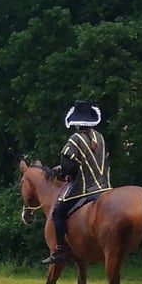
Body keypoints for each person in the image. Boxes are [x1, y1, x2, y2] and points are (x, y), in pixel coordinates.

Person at [42, 101, 112, 264]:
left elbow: (68, 166)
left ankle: (60, 250)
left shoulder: (75, 139)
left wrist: (63, 172)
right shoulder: (99, 137)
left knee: (57, 213)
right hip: (105, 187)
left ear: (76, 122)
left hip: (84, 188)